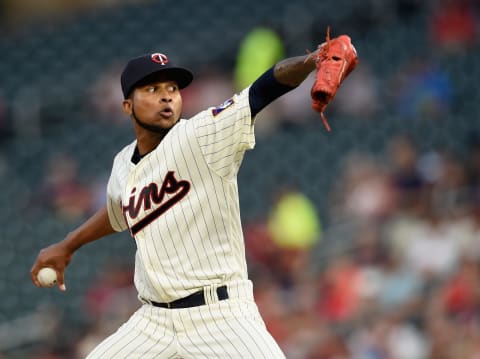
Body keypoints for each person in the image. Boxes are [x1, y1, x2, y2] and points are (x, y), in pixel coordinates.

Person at [31, 35, 357, 358]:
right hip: (154, 322)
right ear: (127, 106)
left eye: (172, 88)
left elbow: (261, 91)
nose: (166, 97)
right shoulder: (122, 163)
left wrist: (312, 59)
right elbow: (119, 211)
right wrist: (68, 244)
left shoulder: (202, 134)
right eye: (152, 89)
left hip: (220, 316)